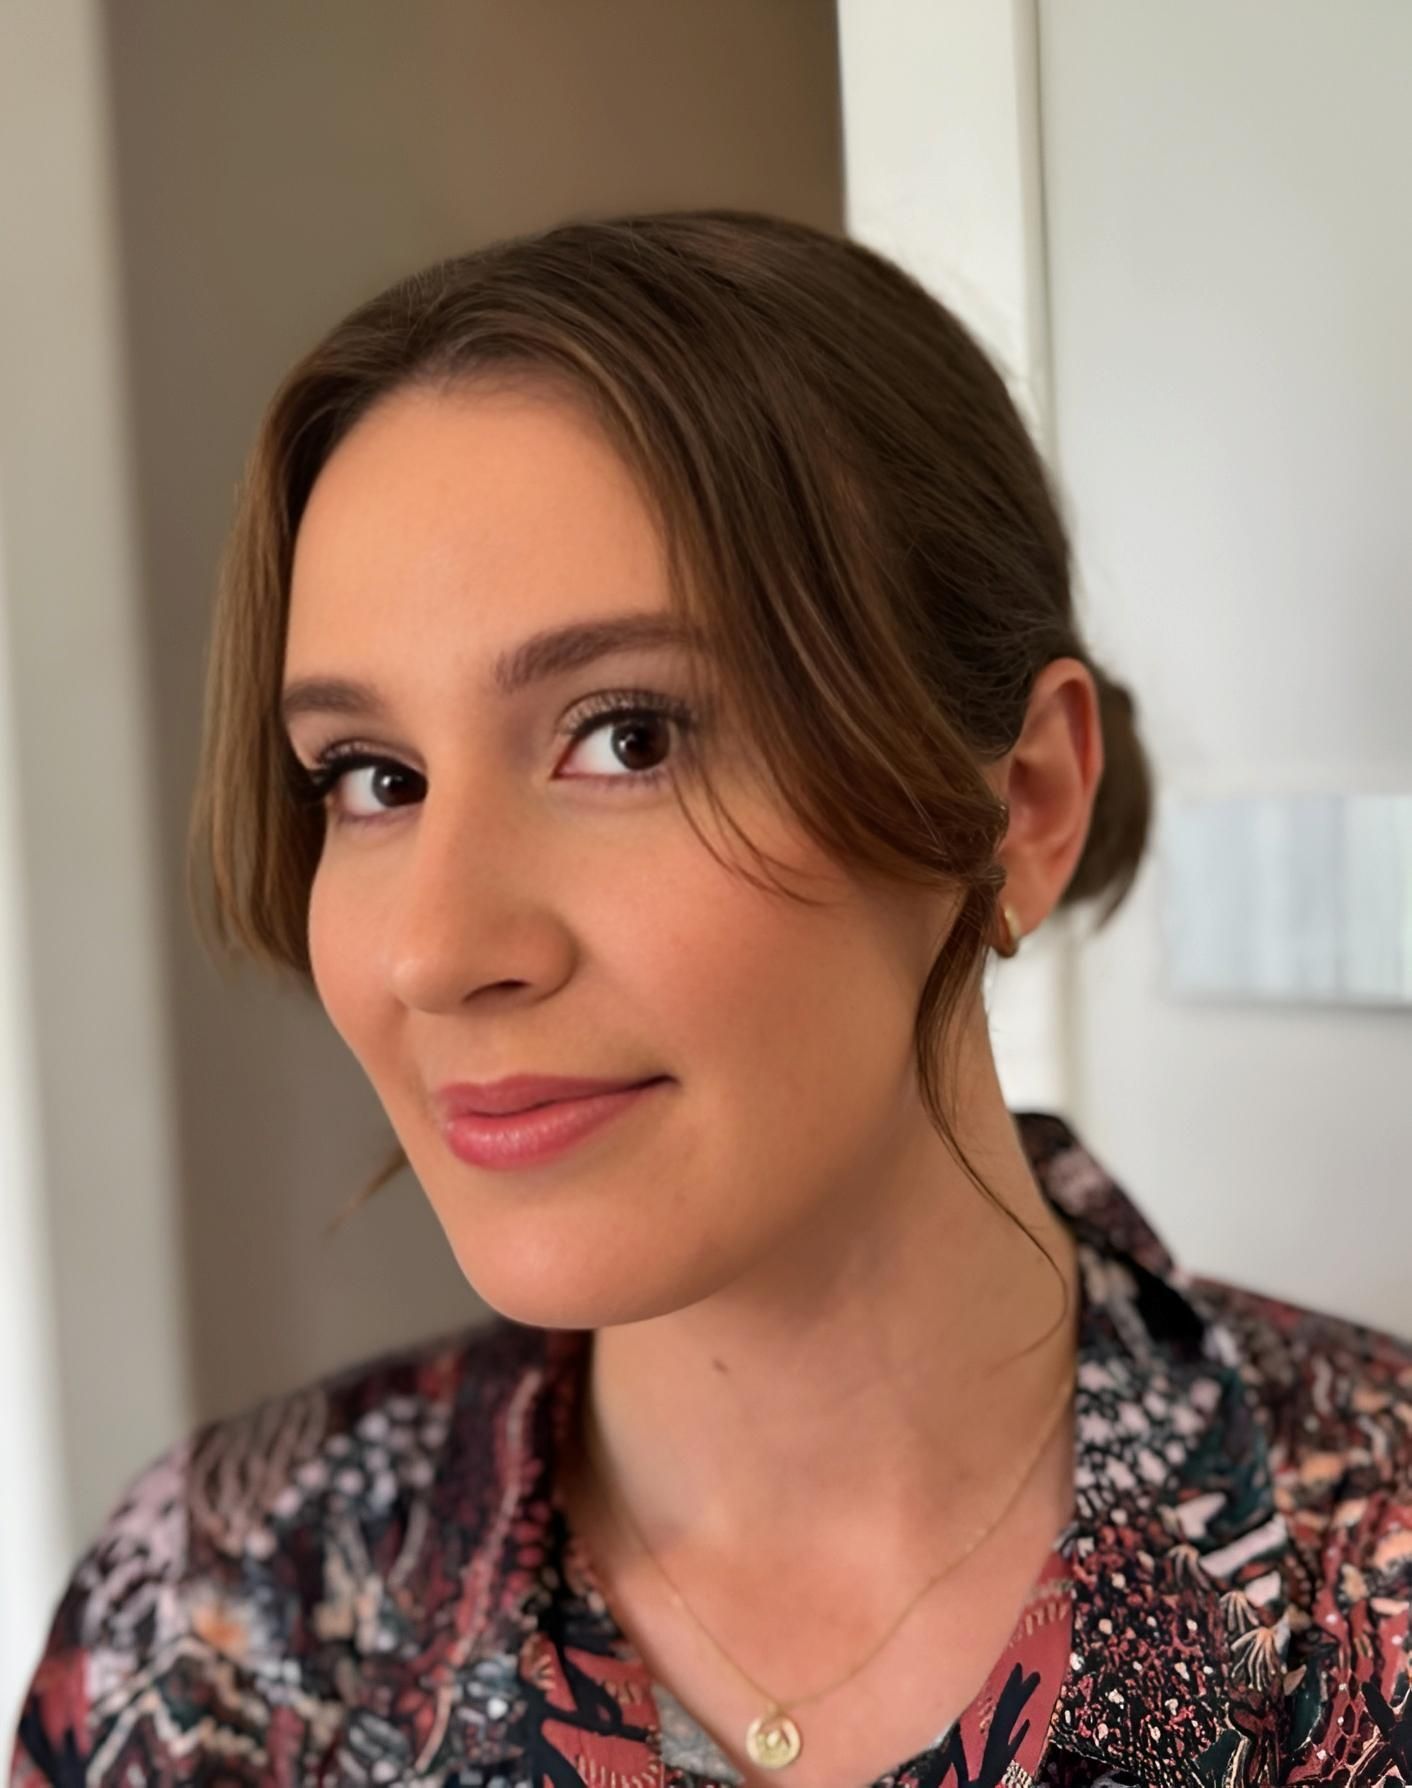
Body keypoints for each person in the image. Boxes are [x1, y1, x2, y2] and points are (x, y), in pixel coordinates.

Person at [9, 209, 1411, 1788]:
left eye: (629, 738)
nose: (437, 947)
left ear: (1016, 804)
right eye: (373, 776)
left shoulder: (1379, 1579)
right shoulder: (208, 1625)